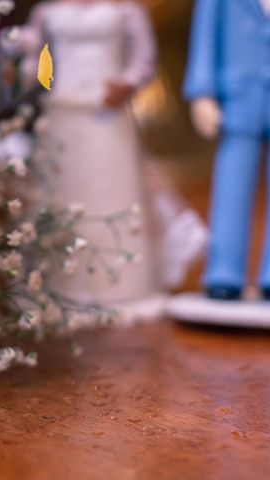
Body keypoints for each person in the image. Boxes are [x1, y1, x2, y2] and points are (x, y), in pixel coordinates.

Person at [19, 0, 167, 317]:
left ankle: (120, 281)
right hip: (63, 109)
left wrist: (127, 83)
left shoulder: (126, 9)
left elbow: (145, 58)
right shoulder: (47, 11)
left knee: (111, 190)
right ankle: (61, 282)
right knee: (63, 190)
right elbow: (33, 62)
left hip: (107, 112)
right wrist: (22, 72)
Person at [185, 0, 270, 301]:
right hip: (237, 96)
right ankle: (224, 272)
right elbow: (205, 36)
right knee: (231, 188)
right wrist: (202, 92)